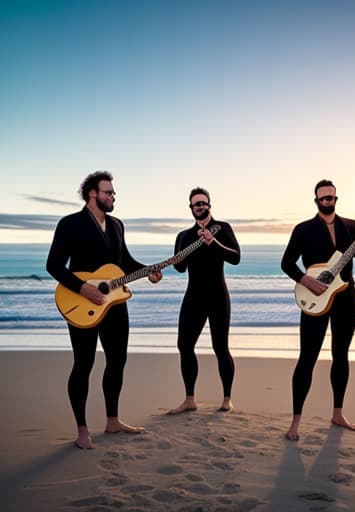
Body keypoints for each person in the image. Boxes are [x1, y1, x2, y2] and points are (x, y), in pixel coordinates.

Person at [46, 171, 162, 449]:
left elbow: (124, 262)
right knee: (83, 364)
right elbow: (53, 265)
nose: (113, 197)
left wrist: (148, 271)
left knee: (117, 361)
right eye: (108, 192)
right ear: (92, 194)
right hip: (81, 304)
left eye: (113, 192)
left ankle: (112, 420)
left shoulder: (117, 224)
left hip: (114, 304)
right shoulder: (70, 224)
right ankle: (82, 429)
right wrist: (82, 288)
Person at [281, 179, 355, 441]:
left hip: (346, 297)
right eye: (323, 198)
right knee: (307, 358)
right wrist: (306, 280)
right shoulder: (303, 229)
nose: (327, 202)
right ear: (316, 200)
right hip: (315, 296)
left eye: (331, 198)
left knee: (341, 355)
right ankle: (295, 422)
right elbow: (286, 263)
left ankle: (338, 413)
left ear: (337, 198)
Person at [167, 187, 240, 415]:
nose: (200, 207)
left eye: (203, 203)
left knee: (220, 347)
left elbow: (236, 258)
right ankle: (190, 399)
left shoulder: (223, 228)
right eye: (196, 204)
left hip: (218, 295)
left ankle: (227, 399)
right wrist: (188, 251)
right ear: (191, 208)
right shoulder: (184, 236)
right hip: (194, 296)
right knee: (184, 345)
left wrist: (212, 242)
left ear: (210, 205)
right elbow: (179, 268)